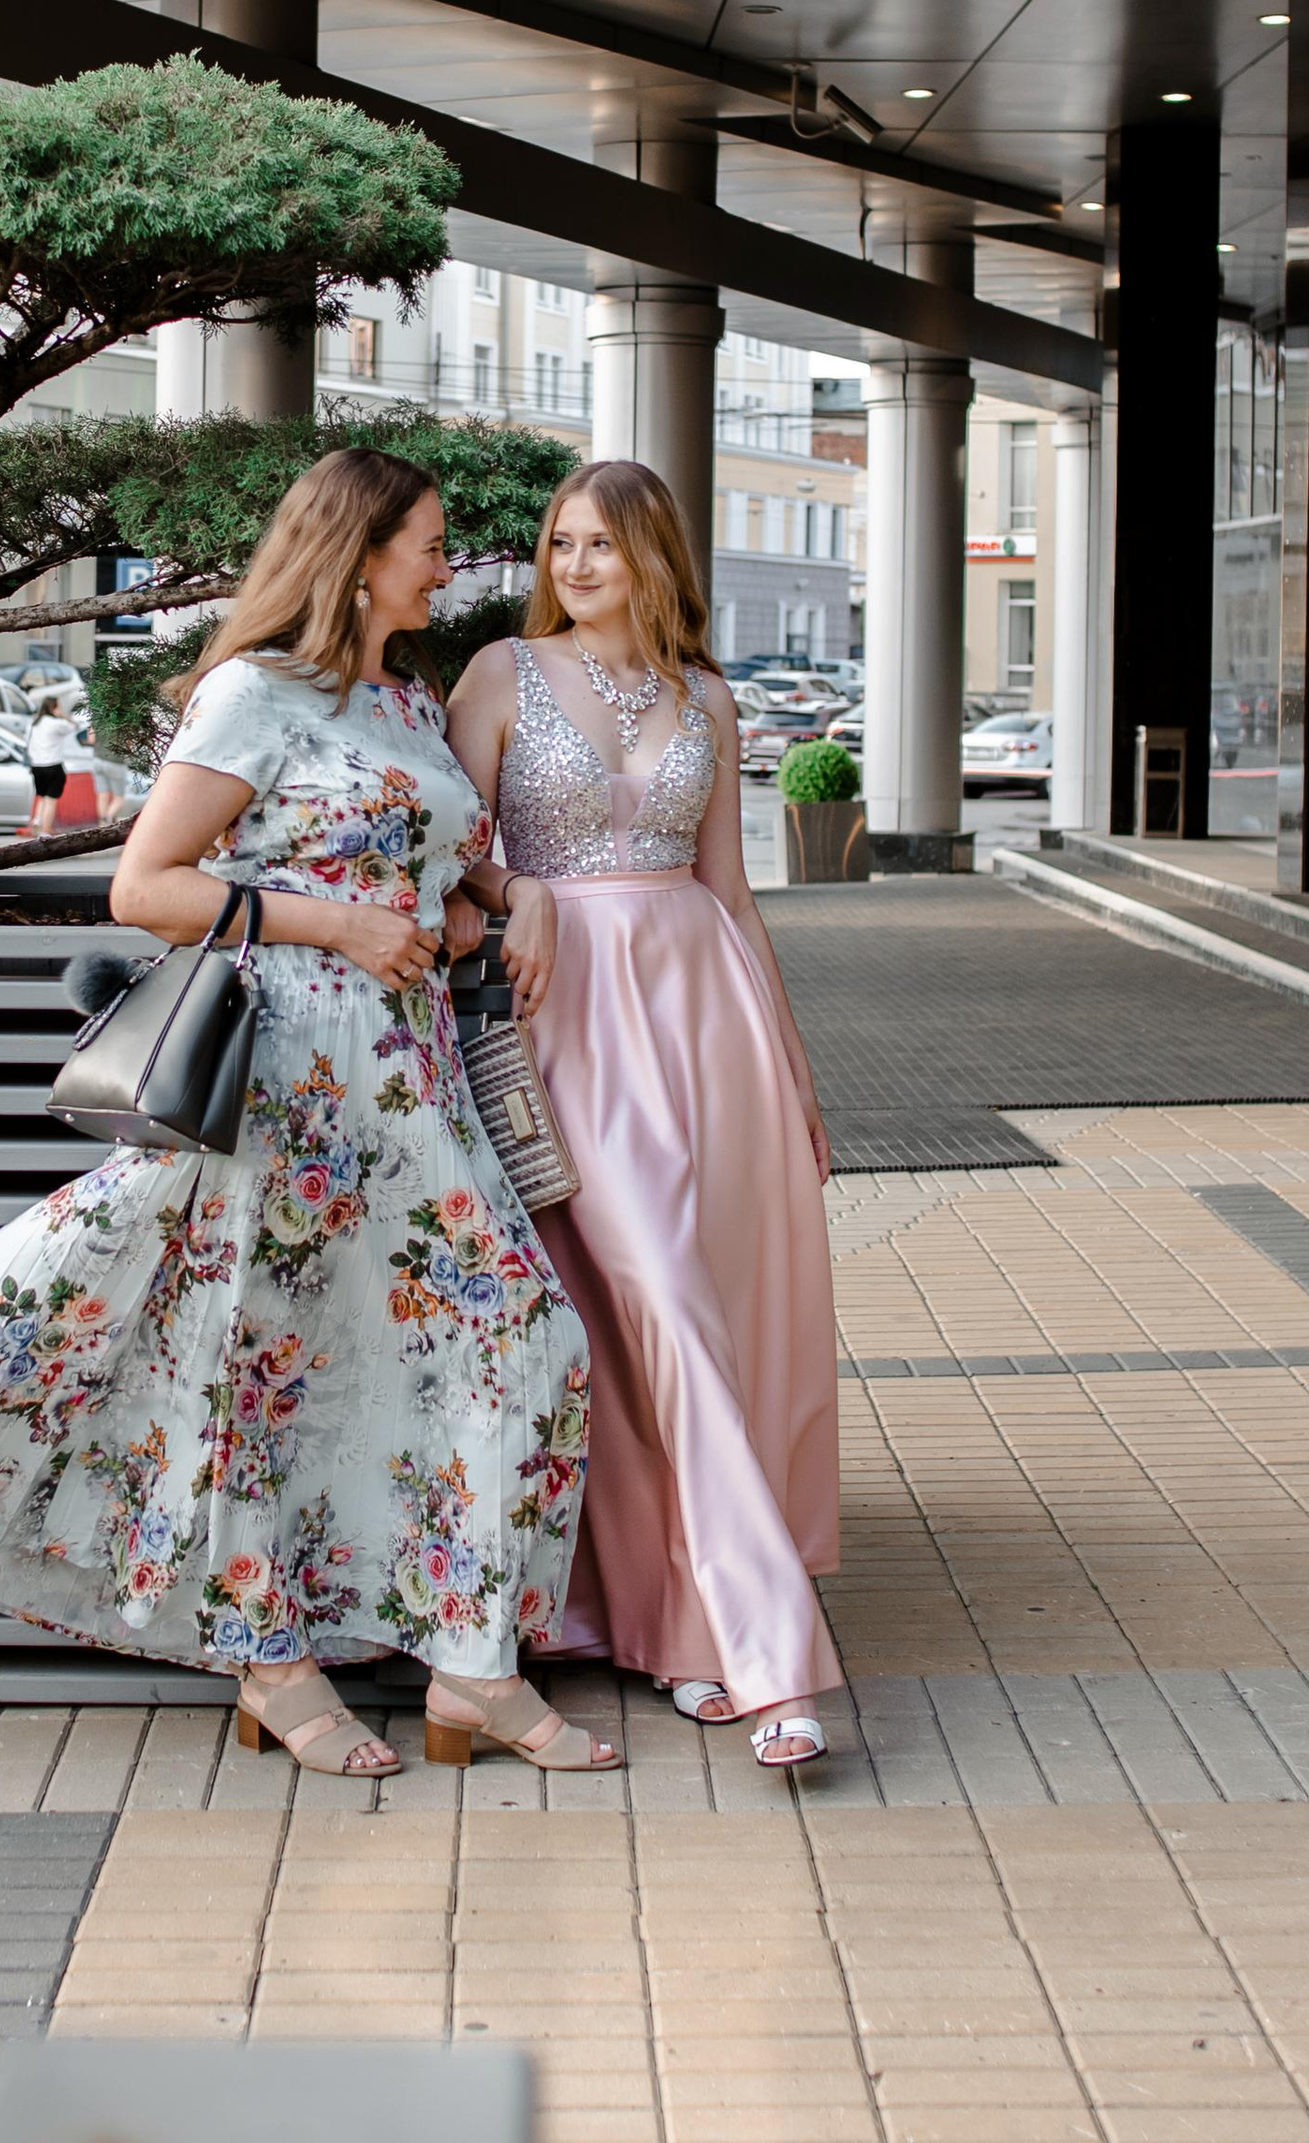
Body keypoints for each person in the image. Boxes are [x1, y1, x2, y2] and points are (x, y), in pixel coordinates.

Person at [0, 446, 607, 1783]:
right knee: (253, 1360)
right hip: (285, 1073)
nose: (452, 563)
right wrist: (336, 920)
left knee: (516, 1333)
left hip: (406, 1078)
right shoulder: (254, 694)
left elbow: (444, 857)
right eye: (430, 540)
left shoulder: (403, 697)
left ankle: (472, 1665)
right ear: (359, 548)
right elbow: (143, 884)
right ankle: (275, 1663)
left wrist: (513, 890)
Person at [448, 459, 841, 1772]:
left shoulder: (713, 699)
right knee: (658, 1301)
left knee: (684, 1322)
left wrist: (790, 1068)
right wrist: (523, 891)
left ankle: (671, 1620)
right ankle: (769, 1652)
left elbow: (733, 891)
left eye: (600, 544)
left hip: (703, 1020)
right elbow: (444, 851)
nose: (574, 564)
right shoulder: (500, 675)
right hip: (565, 1019)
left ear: (656, 554)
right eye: (560, 541)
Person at [25, 699, 81, 836]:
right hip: (53, 765)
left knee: (41, 796)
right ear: (54, 709)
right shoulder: (56, 724)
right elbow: (75, 726)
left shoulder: (33, 724)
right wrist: (63, 715)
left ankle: (37, 821)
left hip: (36, 766)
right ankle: (46, 829)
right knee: (51, 799)